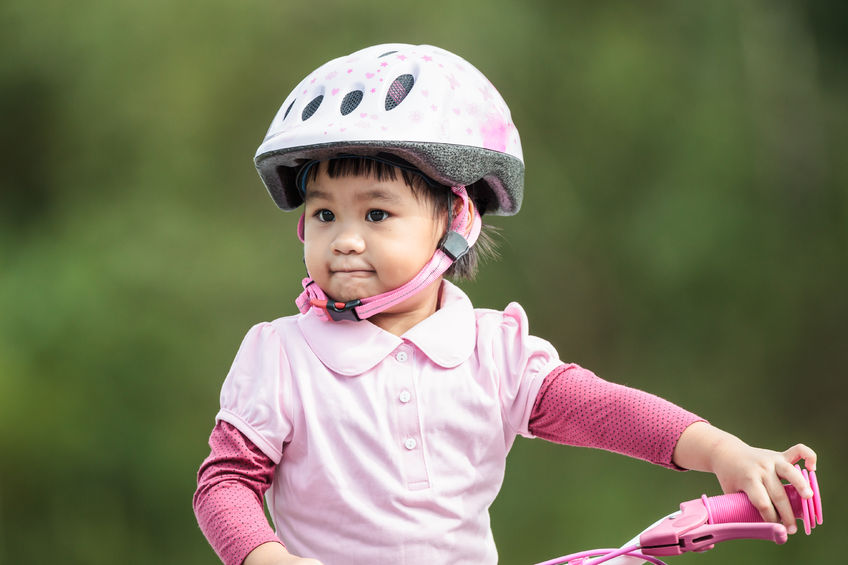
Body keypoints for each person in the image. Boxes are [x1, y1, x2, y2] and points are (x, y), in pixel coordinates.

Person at [193, 43, 817, 565]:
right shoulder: (281, 355)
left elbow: (604, 410)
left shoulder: (495, 352)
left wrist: (724, 453)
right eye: (324, 213)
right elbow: (225, 485)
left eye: (377, 213)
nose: (345, 238)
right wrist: (267, 558)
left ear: (455, 219)